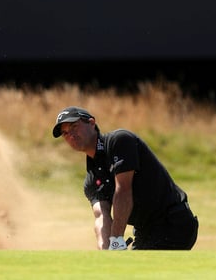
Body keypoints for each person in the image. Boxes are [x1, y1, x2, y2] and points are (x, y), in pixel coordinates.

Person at [52, 106, 199, 251]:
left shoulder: (120, 141)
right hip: (145, 232)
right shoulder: (91, 180)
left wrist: (116, 240)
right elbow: (101, 217)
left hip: (173, 222)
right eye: (65, 133)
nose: (70, 135)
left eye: (74, 127)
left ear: (91, 123)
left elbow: (123, 189)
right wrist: (106, 250)